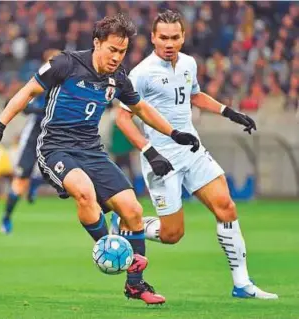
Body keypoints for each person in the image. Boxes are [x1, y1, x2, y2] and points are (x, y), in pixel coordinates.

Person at [0, 14, 200, 305]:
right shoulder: (65, 64)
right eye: (112, 50)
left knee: (131, 209)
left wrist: (173, 132)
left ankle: (135, 285)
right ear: (97, 43)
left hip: (92, 150)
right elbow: (27, 91)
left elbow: (141, 109)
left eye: (122, 52)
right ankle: (110, 249)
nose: (117, 57)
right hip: (55, 148)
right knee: (85, 192)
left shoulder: (118, 78)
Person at [111, 10, 278, 300]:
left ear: (183, 37)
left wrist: (230, 112)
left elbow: (194, 95)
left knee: (226, 206)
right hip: (162, 159)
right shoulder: (141, 73)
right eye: (163, 37)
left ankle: (242, 284)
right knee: (172, 235)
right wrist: (149, 152)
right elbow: (122, 118)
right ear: (153, 38)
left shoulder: (189, 63)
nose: (169, 43)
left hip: (192, 151)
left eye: (175, 37)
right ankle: (125, 222)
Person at [0, 49, 61, 234]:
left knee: (57, 172)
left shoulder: (67, 83)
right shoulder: (38, 80)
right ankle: (6, 218)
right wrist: (38, 109)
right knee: (20, 179)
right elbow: (24, 105)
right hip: (34, 134)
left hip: (55, 135)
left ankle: (35, 183)